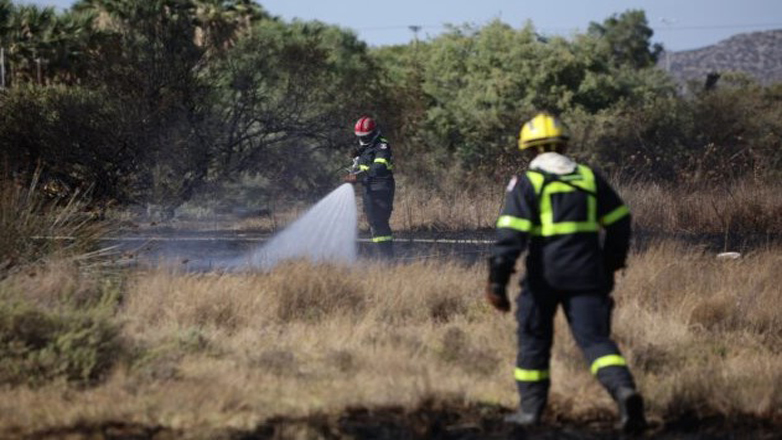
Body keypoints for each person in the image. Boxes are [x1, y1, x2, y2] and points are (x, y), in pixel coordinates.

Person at [486, 113, 646, 433]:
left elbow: (510, 235)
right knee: (595, 341)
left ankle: (530, 412)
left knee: (533, 340)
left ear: (530, 150)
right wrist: (611, 263)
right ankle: (625, 392)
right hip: (588, 275)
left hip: (544, 276)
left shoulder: (529, 182)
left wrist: (497, 282)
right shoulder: (588, 177)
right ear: (563, 145)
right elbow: (620, 221)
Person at [344, 116, 395, 259]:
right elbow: (361, 166)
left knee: (380, 221)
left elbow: (379, 166)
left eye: (366, 137)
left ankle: (387, 257)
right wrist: (353, 172)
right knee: (373, 221)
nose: (363, 139)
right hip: (368, 187)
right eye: (361, 137)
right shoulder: (364, 148)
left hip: (382, 186)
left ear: (373, 133)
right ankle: (382, 255)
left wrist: (359, 176)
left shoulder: (382, 146)